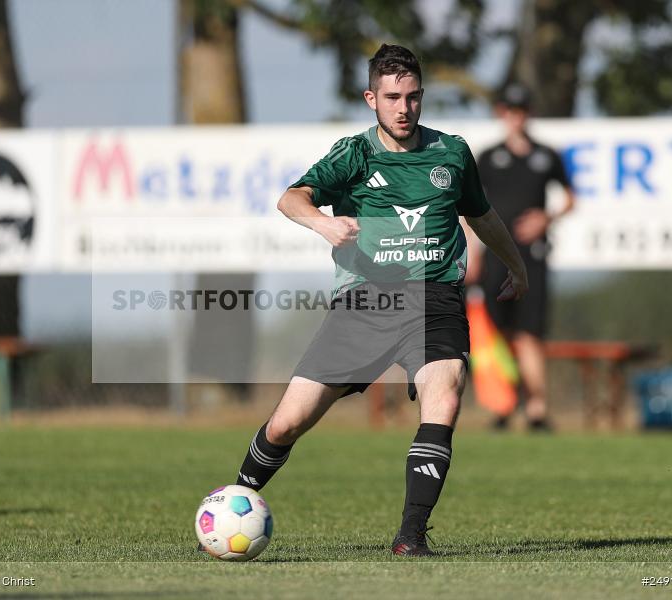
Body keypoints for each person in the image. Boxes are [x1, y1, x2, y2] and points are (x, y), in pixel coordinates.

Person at [227, 44, 527, 557]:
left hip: (436, 298)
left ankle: (411, 536)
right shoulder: (355, 153)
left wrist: (515, 264)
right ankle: (235, 500)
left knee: (446, 394)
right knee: (287, 422)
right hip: (366, 303)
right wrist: (323, 222)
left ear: (422, 97)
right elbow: (291, 198)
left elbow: (481, 215)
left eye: (412, 97)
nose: (403, 108)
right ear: (372, 99)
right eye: (392, 97)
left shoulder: (452, 153)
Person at [467, 84, 576, 432]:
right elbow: (468, 209)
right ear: (501, 113)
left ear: (530, 113)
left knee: (530, 333)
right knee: (498, 333)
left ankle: (537, 410)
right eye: (510, 110)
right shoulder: (487, 157)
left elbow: (570, 198)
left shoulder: (546, 156)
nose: (516, 117)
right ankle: (503, 404)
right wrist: (472, 253)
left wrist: (547, 218)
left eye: (522, 110)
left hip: (533, 255)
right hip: (496, 254)